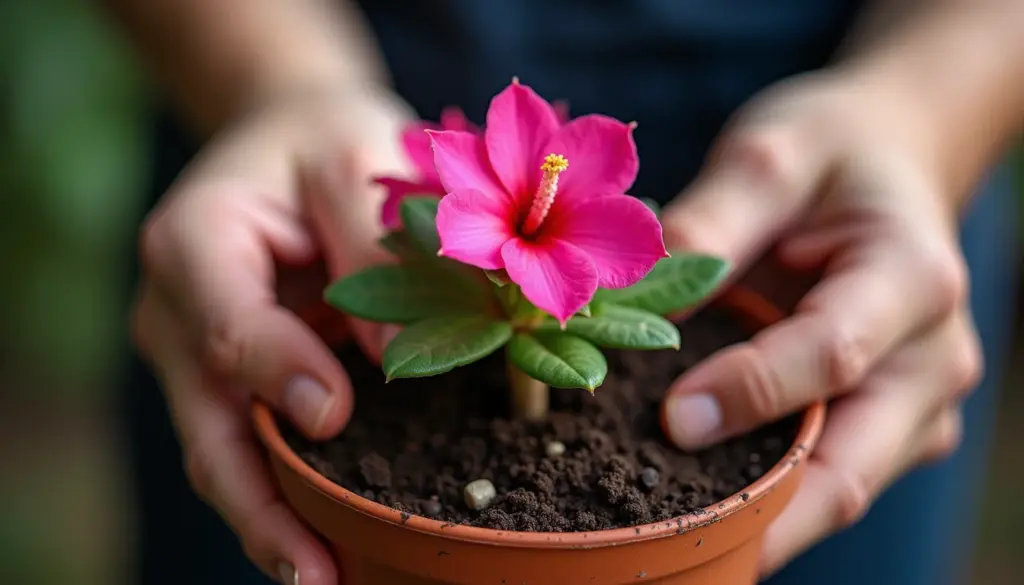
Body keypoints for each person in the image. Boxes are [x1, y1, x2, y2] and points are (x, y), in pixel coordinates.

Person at [104, 1, 1022, 584]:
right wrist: (272, 83)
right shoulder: (477, 222)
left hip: (841, 220)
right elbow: (466, 231)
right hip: (294, 180)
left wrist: (918, 116)